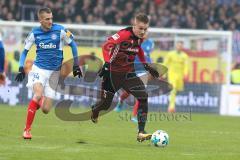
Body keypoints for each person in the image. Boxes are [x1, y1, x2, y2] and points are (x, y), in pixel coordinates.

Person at [91, 13, 160, 142]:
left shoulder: (140, 38)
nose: (143, 31)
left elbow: (138, 49)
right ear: (134, 25)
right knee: (106, 105)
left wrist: (146, 65)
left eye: (145, 29)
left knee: (143, 97)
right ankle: (95, 110)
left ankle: (141, 132)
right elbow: (106, 46)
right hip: (112, 74)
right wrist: (106, 63)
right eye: (140, 28)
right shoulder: (123, 34)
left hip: (129, 74)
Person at [15, 8, 82, 139]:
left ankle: (39, 102)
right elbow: (24, 53)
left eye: (51, 18)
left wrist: (76, 65)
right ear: (40, 20)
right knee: (38, 94)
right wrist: (20, 67)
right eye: (47, 19)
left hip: (54, 74)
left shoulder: (61, 30)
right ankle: (27, 130)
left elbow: (73, 45)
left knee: (46, 110)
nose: (50, 21)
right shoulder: (34, 33)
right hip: (39, 70)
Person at [114, 39, 155, 123]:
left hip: (143, 71)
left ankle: (134, 116)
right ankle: (121, 100)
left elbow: (148, 55)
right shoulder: (131, 42)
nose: (144, 32)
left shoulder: (150, 42)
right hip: (132, 70)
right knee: (129, 91)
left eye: (145, 30)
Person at [164, 41, 189, 113]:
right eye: (178, 45)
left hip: (180, 76)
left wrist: (186, 74)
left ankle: (172, 105)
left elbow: (186, 66)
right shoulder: (170, 54)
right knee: (173, 89)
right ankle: (171, 107)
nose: (179, 47)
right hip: (172, 75)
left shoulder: (185, 56)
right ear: (176, 46)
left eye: (181, 46)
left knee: (177, 91)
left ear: (182, 47)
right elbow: (165, 63)